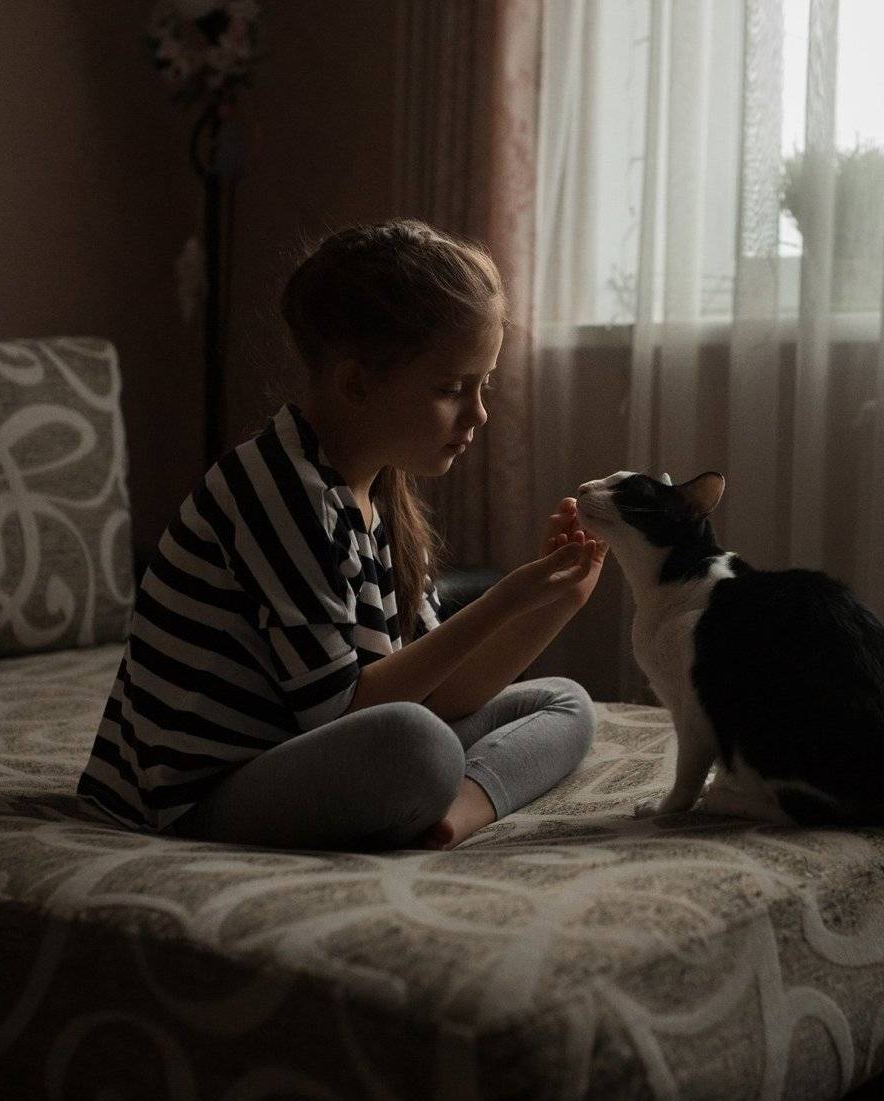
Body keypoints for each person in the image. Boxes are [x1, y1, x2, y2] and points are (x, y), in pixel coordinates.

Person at [77, 219, 607, 852]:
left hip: (314, 756)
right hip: (194, 797)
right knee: (418, 743)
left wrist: (554, 603)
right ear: (356, 383)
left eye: (483, 385)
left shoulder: (377, 494)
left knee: (564, 703)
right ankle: (423, 798)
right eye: (451, 388)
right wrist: (505, 599)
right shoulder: (276, 489)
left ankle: (449, 820)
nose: (479, 413)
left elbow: (442, 691)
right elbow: (346, 714)